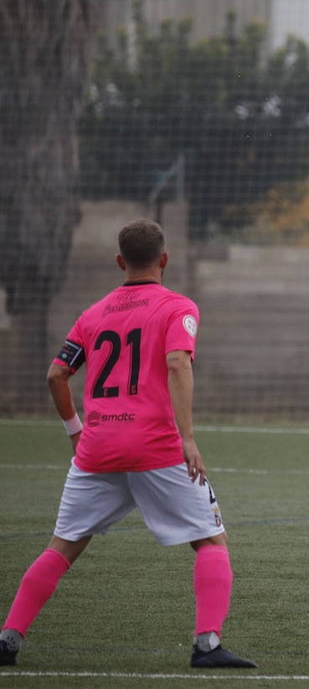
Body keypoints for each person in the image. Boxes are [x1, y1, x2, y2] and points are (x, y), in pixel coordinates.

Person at [0, 220, 255, 670]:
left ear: (120, 262)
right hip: (156, 447)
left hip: (97, 449)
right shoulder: (177, 307)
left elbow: (56, 375)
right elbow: (177, 363)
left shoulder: (92, 315)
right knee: (211, 541)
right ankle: (207, 645)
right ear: (165, 259)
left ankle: (8, 640)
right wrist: (188, 438)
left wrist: (75, 432)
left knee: (61, 547)